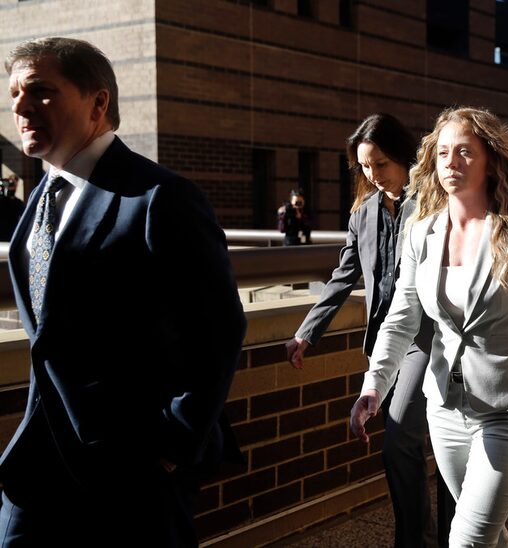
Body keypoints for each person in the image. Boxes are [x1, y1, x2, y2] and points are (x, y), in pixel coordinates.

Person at [1, 37, 246, 546]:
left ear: (98, 102)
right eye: (14, 94)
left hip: (133, 467)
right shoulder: (41, 197)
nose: (21, 107)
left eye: (40, 91)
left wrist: (171, 444)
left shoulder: (161, 198)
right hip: (41, 459)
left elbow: (218, 330)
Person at [350, 107, 508, 547]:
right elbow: (402, 314)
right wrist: (374, 384)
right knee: (488, 538)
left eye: (465, 152)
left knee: (466, 540)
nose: (452, 162)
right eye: (444, 152)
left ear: (490, 159)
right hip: (445, 412)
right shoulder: (421, 233)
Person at [286, 113, 454, 547]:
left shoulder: (436, 202)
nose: (373, 174)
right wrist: (308, 331)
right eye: (364, 166)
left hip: (429, 341)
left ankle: (425, 539)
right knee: (411, 448)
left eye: (380, 163)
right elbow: (344, 275)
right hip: (386, 344)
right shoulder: (363, 214)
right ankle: (425, 535)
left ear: (401, 155)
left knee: (405, 440)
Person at [0, 175, 24, 241]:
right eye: (9, 184)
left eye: (13, 184)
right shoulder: (2, 200)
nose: (10, 187)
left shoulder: (17, 202)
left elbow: (23, 215)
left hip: (11, 233)